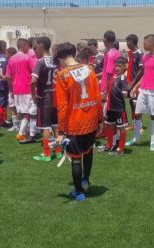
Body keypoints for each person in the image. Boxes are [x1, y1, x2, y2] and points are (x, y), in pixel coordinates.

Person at [55, 42, 103, 202]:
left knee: (76, 158)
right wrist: (100, 120)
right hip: (90, 120)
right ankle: (85, 180)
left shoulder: (62, 76)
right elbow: (97, 96)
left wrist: (61, 131)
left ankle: (79, 192)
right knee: (88, 151)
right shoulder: (89, 69)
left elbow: (62, 106)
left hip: (74, 124)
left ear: (61, 58)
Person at [127, 34, 154, 151]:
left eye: (145, 43)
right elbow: (144, 74)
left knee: (153, 116)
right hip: (143, 91)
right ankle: (135, 139)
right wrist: (135, 87)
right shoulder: (145, 57)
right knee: (137, 114)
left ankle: (153, 142)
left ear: (151, 43)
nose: (143, 45)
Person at [31, 36, 62, 161]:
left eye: (37, 45)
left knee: (45, 127)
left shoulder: (40, 62)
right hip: (56, 97)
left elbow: (33, 81)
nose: (35, 48)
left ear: (41, 45)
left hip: (45, 99)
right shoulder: (56, 61)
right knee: (55, 125)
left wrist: (33, 95)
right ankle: (59, 151)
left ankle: (47, 153)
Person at [5, 38, 37, 143]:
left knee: (23, 112)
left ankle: (26, 132)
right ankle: (21, 133)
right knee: (29, 112)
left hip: (16, 88)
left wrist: (11, 90)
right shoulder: (27, 58)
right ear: (24, 45)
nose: (29, 48)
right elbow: (35, 72)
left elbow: (8, 76)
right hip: (27, 88)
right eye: (28, 46)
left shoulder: (11, 59)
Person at [99, 56, 129, 156]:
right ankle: (109, 145)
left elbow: (125, 93)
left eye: (119, 66)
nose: (116, 68)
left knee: (122, 128)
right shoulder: (113, 77)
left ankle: (120, 149)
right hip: (110, 107)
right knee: (109, 125)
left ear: (124, 67)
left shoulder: (122, 78)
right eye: (115, 66)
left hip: (119, 108)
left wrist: (125, 92)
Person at [125, 34, 144, 134]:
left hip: (137, 83)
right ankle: (134, 124)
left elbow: (141, 70)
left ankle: (139, 125)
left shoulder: (139, 53)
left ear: (133, 42)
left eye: (128, 41)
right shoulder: (130, 53)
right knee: (132, 103)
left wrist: (133, 83)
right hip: (130, 82)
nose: (127, 44)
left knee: (137, 104)